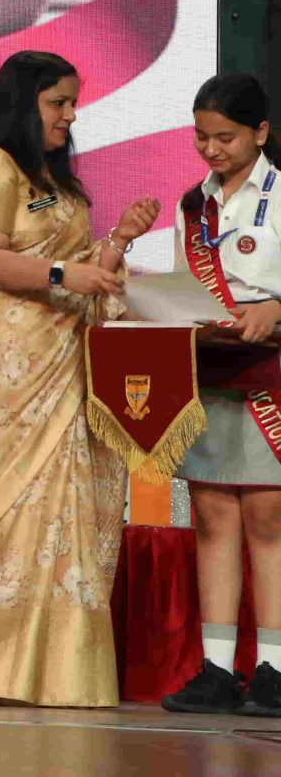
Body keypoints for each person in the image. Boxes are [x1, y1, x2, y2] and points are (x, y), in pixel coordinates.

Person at [0, 50, 158, 707]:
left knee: (56, 501)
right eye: (58, 103)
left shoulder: (56, 179)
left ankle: (48, 669)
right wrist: (67, 274)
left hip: (56, 358)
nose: (70, 116)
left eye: (73, 103)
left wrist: (118, 242)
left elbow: (76, 271)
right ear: (24, 103)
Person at [160, 73, 281, 717]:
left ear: (260, 132)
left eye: (225, 137)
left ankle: (274, 670)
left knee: (267, 518)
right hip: (211, 370)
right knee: (211, 518)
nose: (211, 149)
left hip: (273, 377)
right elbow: (187, 286)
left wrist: (277, 308)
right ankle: (215, 668)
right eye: (201, 137)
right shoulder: (194, 204)